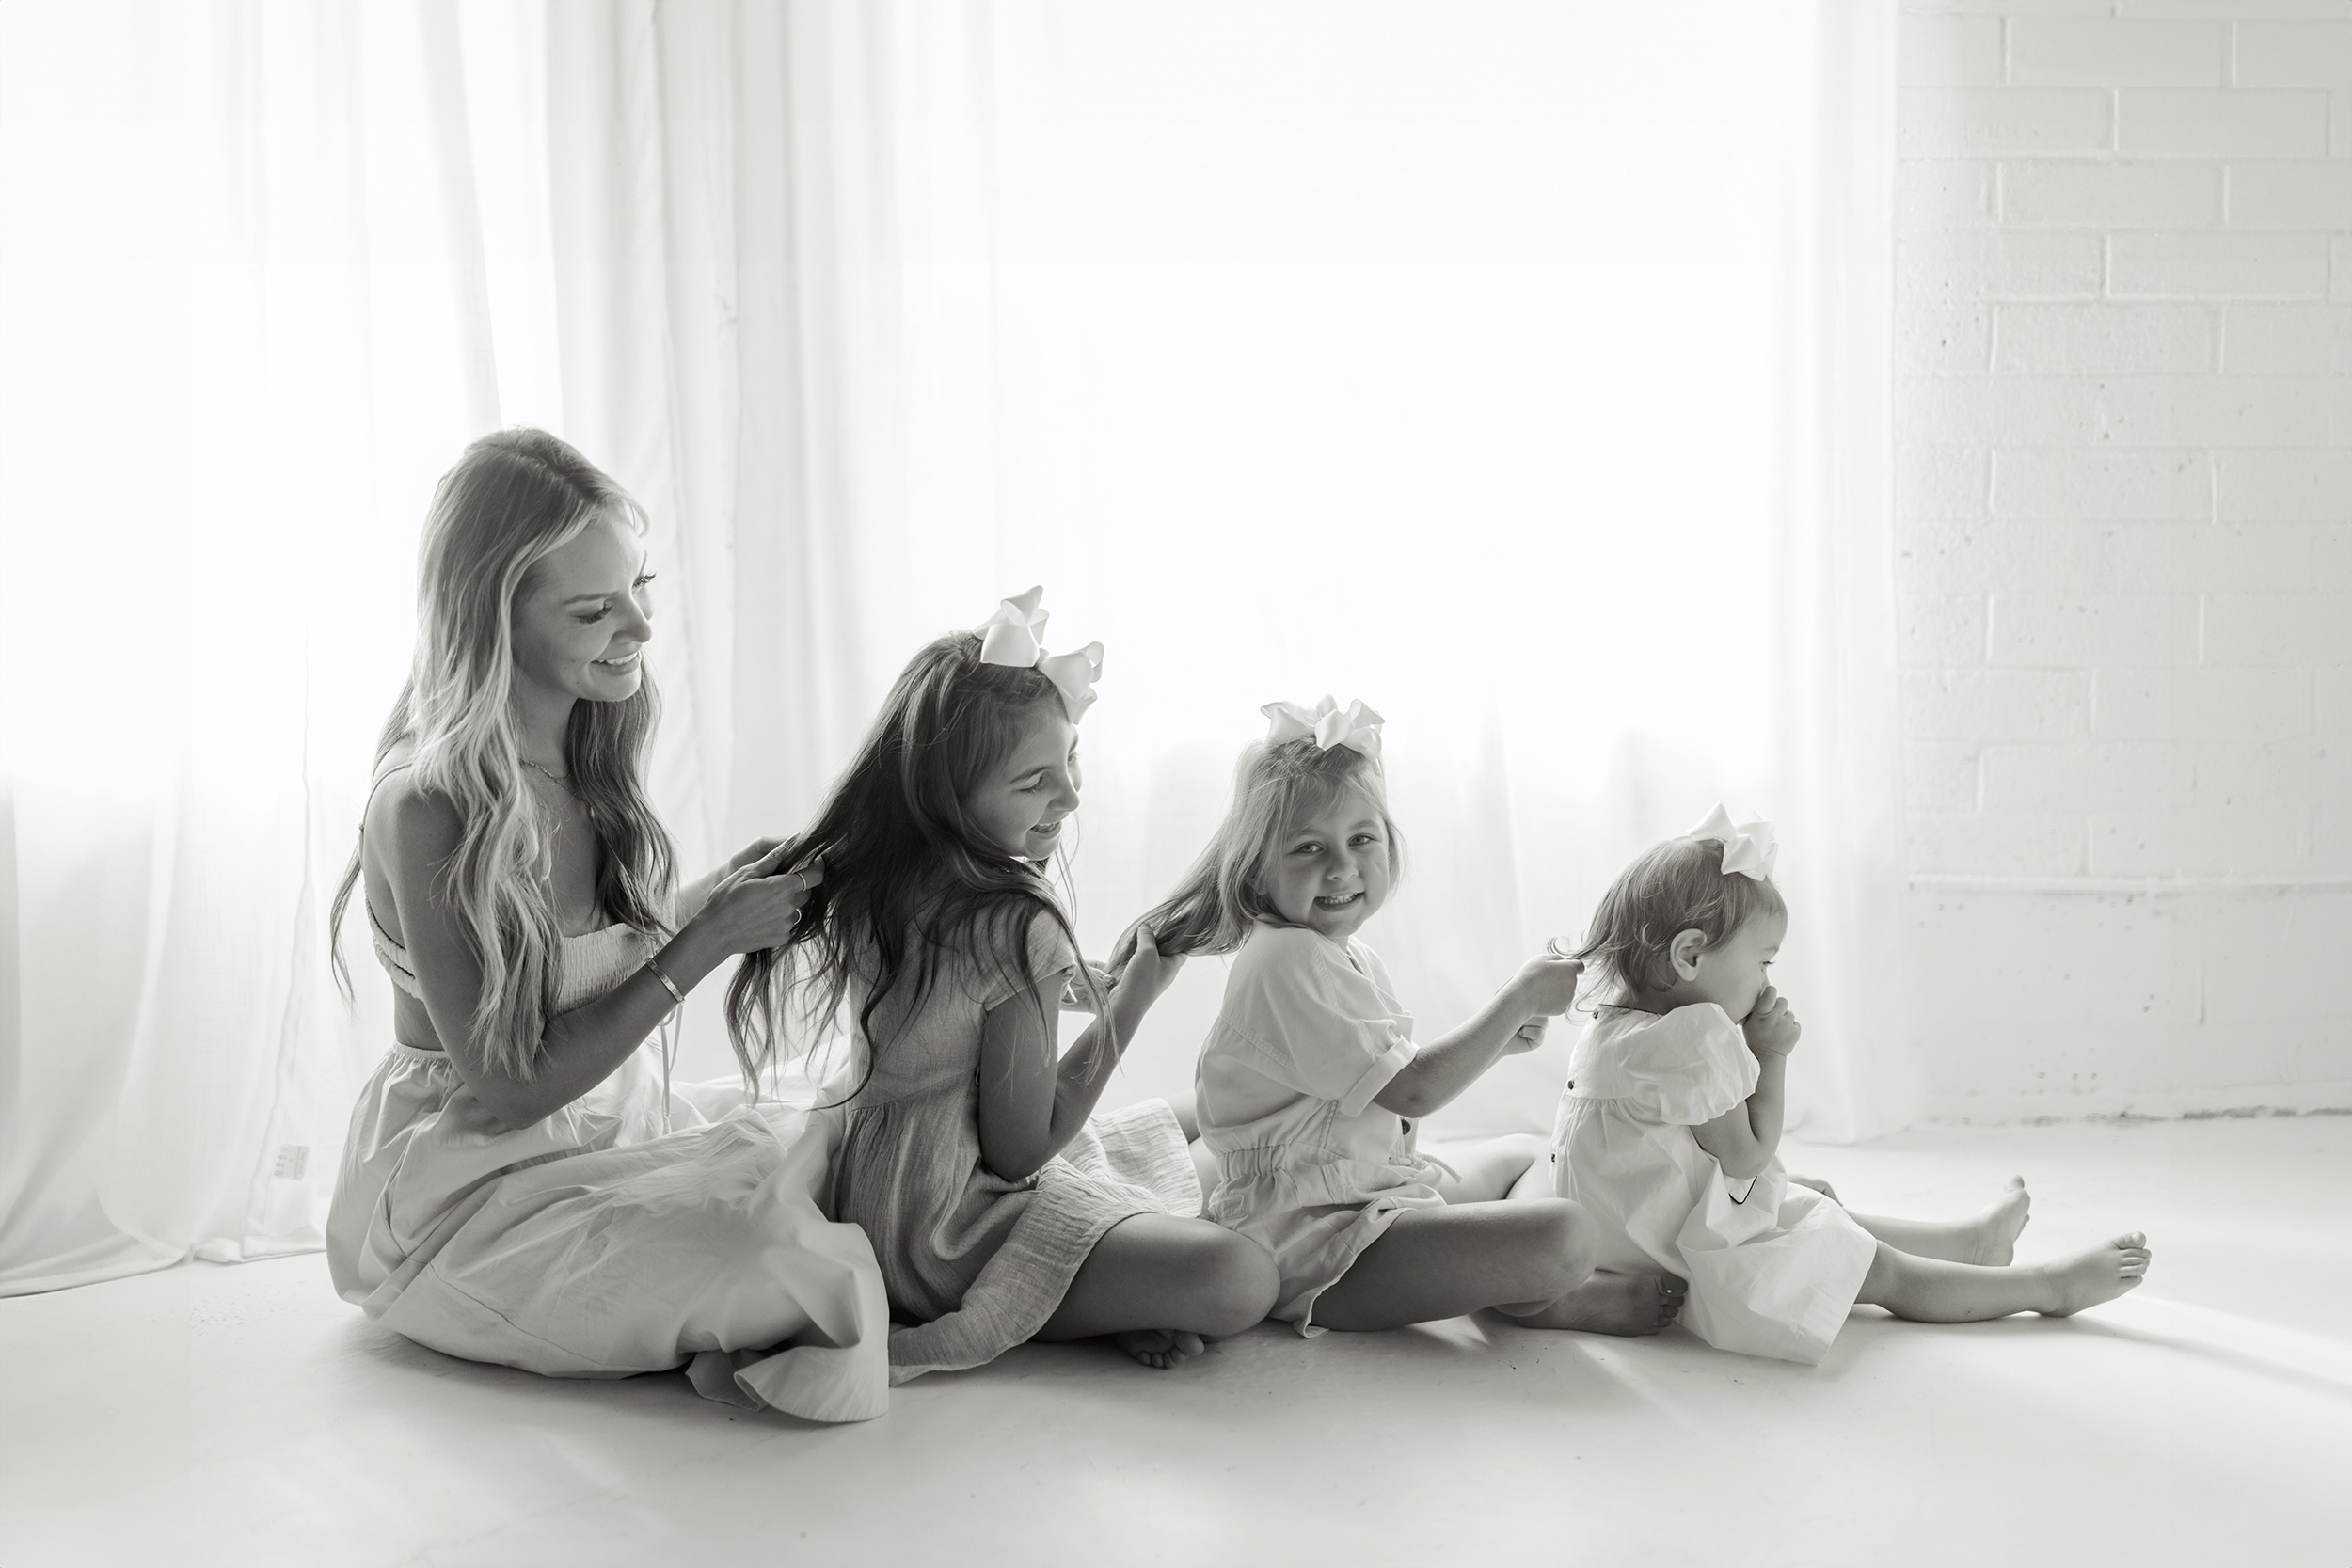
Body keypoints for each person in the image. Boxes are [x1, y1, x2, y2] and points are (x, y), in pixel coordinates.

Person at [326, 428, 891, 1422]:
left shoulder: (588, 735)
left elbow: (569, 959)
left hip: (604, 1123)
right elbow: (507, 1084)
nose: (635, 625)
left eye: (639, 587)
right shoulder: (429, 804)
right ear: (493, 622)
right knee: (785, 1258)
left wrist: (712, 899)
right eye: (593, 607)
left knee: (849, 1140)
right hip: (473, 1183)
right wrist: (702, 945)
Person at [724, 589, 1279, 1378]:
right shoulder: (1014, 921)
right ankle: (1057, 1303)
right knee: (1240, 1275)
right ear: (953, 795)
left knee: (1207, 1113)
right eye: (1035, 781)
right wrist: (1135, 999)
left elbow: (956, 1000)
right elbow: (1022, 1151)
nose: (1073, 796)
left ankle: (1105, 1287)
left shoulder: (883, 871)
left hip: (882, 1190)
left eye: (1071, 761)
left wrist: (1078, 978)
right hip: (950, 1229)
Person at [1121, 696, 1686, 1337]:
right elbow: (1413, 1085)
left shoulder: (1337, 952)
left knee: (1532, 1154)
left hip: (1369, 1186)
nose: (1342, 866)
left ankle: (1492, 1274)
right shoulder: (1288, 960)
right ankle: (1541, 1297)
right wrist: (1517, 1001)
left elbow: (1379, 1086)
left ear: (1390, 842)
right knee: (1565, 1233)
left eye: (1361, 838)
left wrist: (1499, 1039)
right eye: (1308, 847)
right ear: (1258, 870)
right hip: (1314, 1239)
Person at [1549, 806, 2152, 1365]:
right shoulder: (1692, 1037)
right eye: (1764, 962)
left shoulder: (1609, 1030)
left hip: (1623, 1240)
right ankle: (2049, 1287)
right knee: (1880, 1271)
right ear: (1689, 956)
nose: (1764, 984)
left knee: (1813, 1204)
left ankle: (1968, 1241)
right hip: (1677, 1256)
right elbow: (1748, 1156)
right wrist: (1772, 1054)